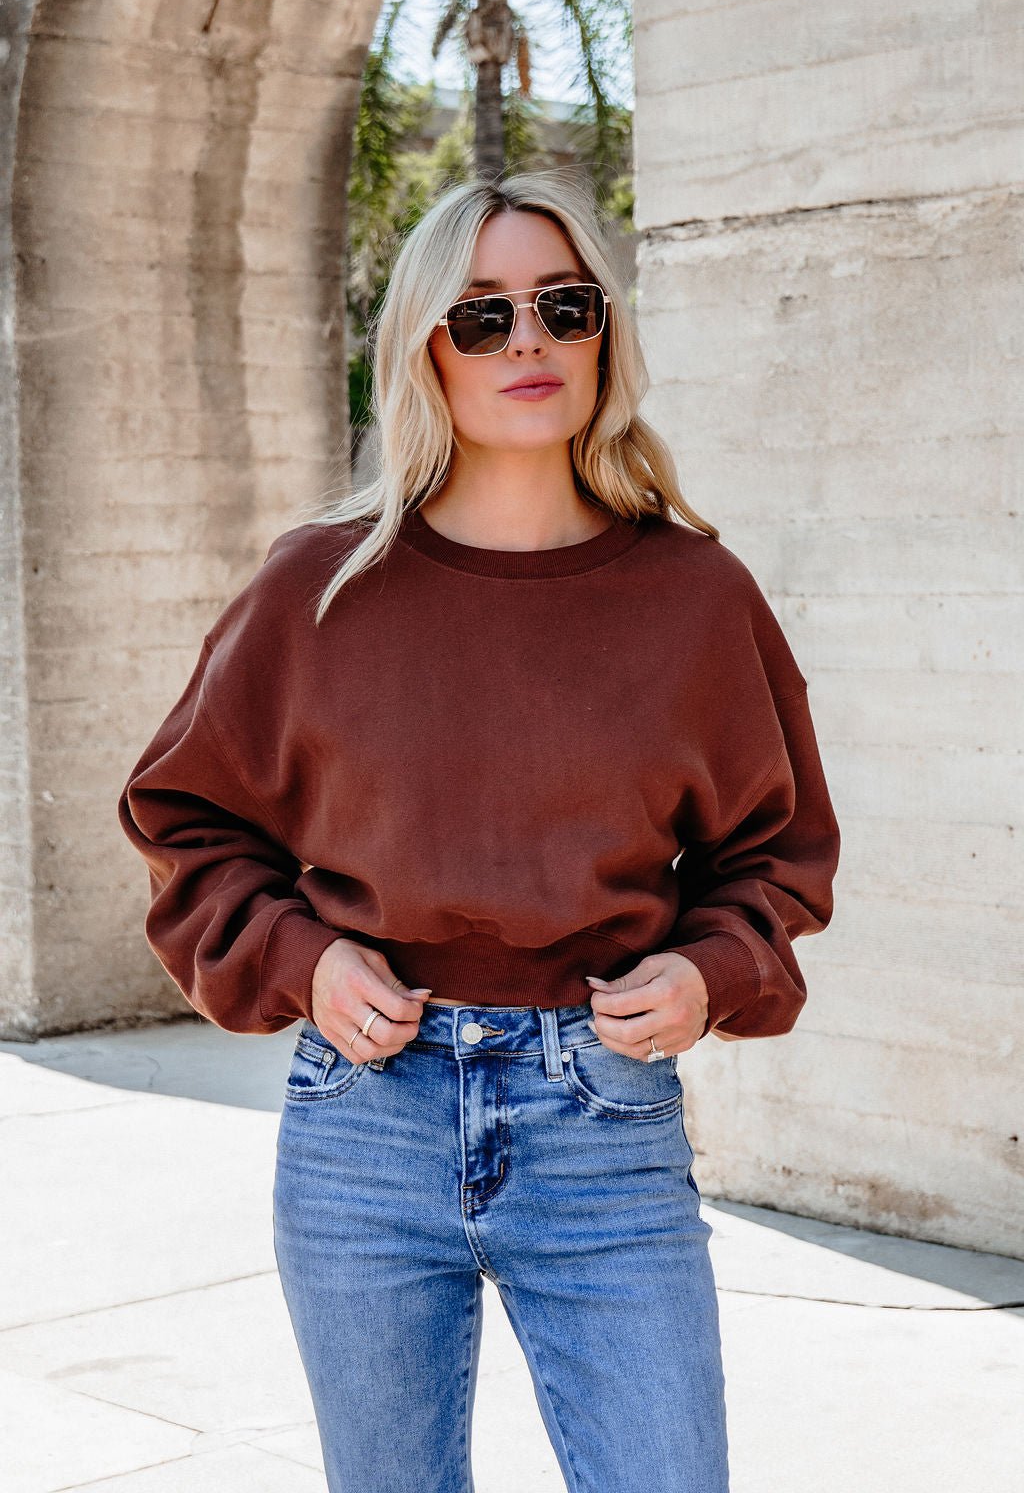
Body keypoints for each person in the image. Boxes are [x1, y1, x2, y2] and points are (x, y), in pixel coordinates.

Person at [117, 168, 841, 1493]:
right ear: (422, 348)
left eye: (564, 308)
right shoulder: (317, 590)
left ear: (605, 336)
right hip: (365, 1125)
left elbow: (774, 856)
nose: (528, 343)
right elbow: (186, 813)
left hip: (603, 1124)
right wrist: (305, 962)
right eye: (483, 314)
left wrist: (706, 972)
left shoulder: (696, 596)